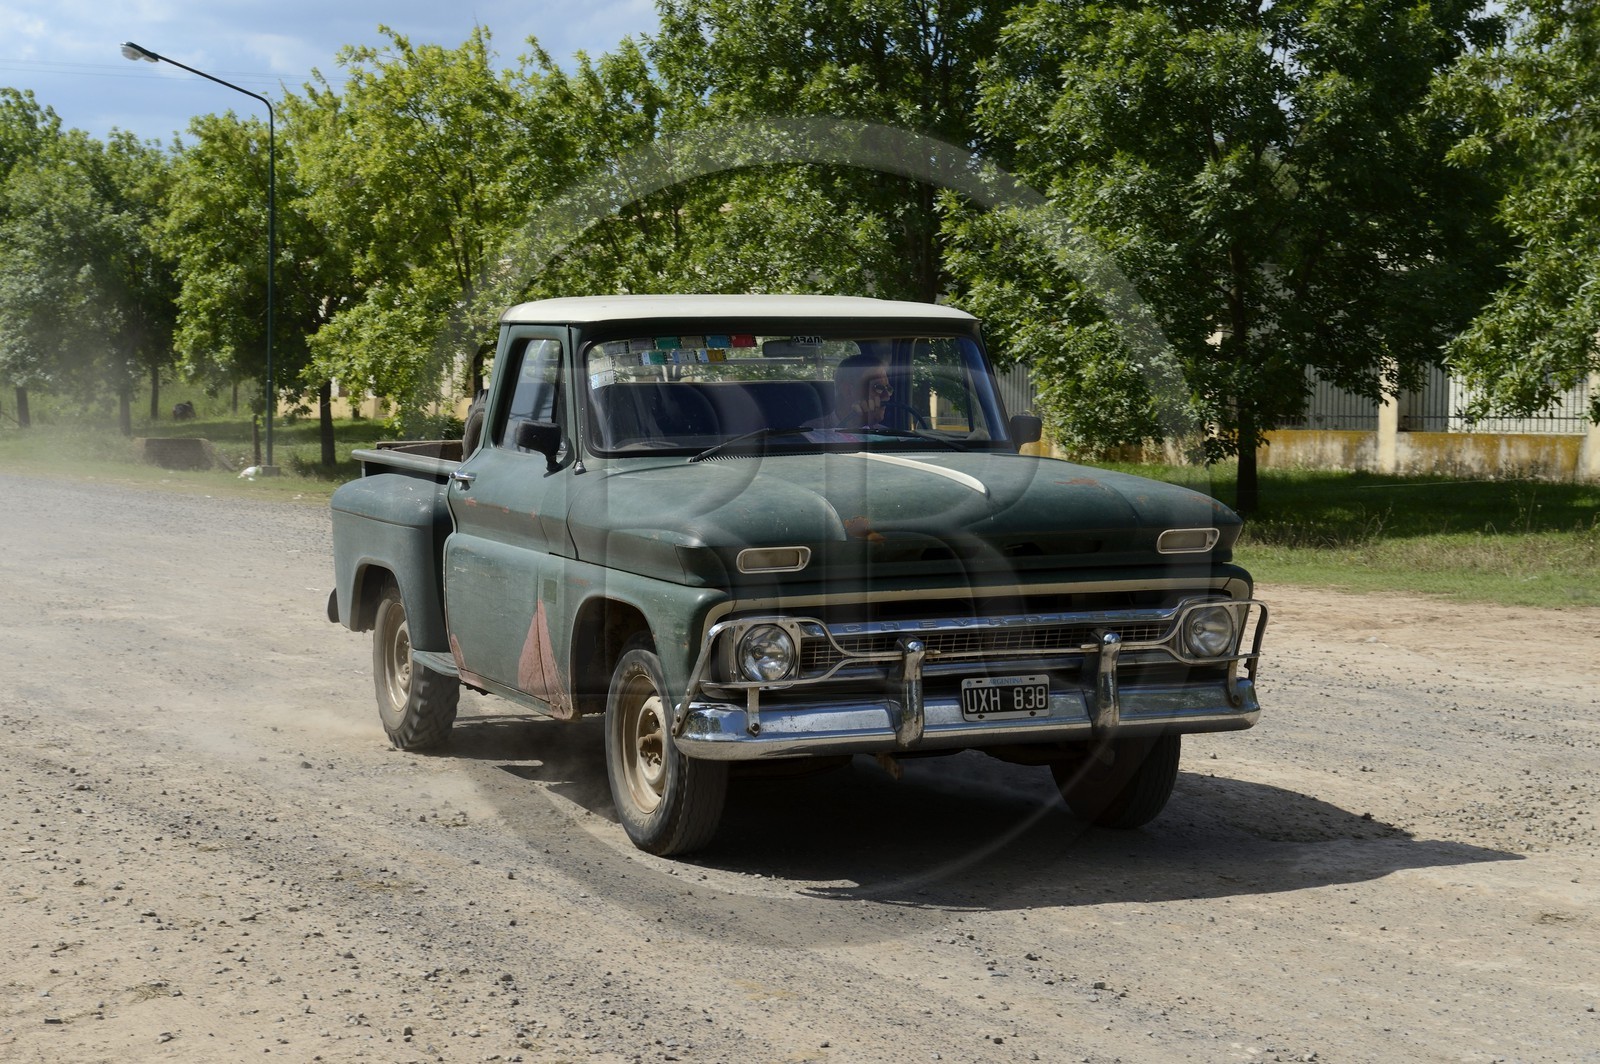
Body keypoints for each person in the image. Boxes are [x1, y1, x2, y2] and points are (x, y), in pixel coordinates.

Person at [804, 353, 894, 434]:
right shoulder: (812, 432)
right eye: (878, 387)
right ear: (847, 391)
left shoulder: (888, 435)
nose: (887, 396)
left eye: (889, 389)